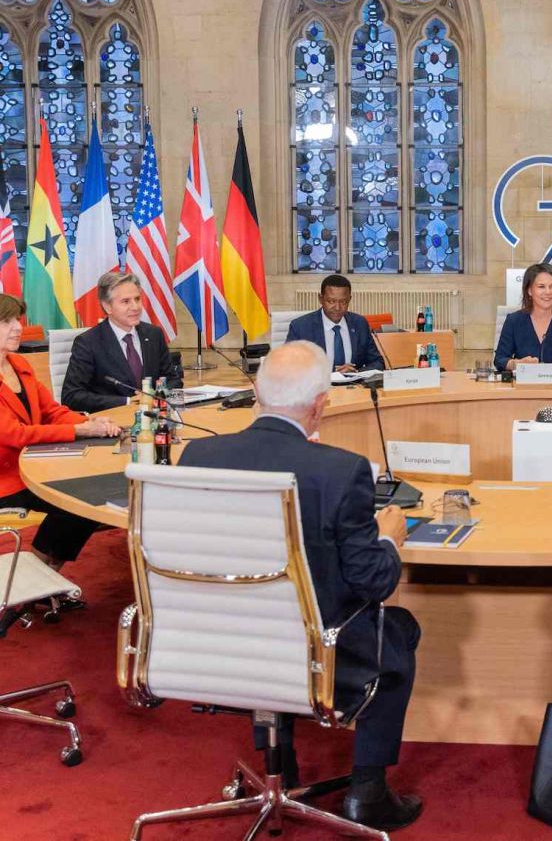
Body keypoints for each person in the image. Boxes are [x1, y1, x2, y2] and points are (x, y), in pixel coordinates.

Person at [178, 341, 421, 830]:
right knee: (398, 632)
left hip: (215, 639)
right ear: (319, 404)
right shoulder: (340, 470)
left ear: (256, 391)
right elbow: (375, 583)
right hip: (312, 646)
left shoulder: (196, 455)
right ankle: (367, 791)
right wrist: (389, 540)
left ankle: (280, 764)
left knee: (257, 600)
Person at [0, 294, 122, 584]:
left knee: (91, 498)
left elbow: (52, 411)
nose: (18, 327)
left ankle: (45, 574)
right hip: (7, 478)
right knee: (75, 504)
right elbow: (15, 434)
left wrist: (90, 422)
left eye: (17, 320)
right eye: (7, 322)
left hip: (36, 464)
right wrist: (78, 431)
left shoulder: (19, 364)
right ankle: (31, 580)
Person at [61, 271, 183, 413]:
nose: (135, 307)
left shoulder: (154, 334)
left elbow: (173, 380)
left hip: (154, 418)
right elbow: (71, 396)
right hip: (112, 422)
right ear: (108, 307)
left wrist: (155, 396)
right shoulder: (88, 342)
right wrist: (126, 401)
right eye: (126, 301)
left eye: (137, 299)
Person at [286, 274, 384, 373]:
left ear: (349, 299)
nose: (337, 307)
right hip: (317, 387)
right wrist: (330, 374)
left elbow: (378, 363)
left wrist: (356, 372)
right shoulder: (300, 327)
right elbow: (289, 366)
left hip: (353, 387)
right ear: (321, 299)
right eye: (331, 301)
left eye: (343, 302)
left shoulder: (359, 323)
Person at [494, 263, 552, 371]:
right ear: (529, 290)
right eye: (541, 286)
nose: (548, 292)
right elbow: (499, 360)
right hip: (524, 385)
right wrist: (517, 364)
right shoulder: (514, 320)